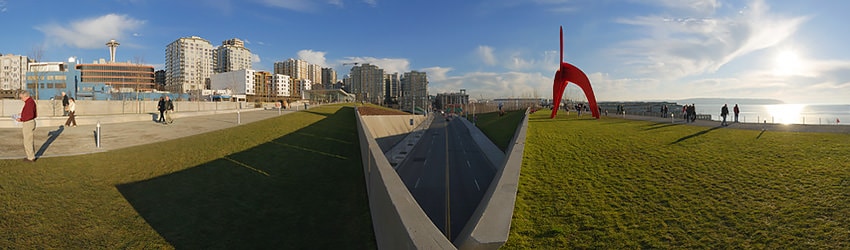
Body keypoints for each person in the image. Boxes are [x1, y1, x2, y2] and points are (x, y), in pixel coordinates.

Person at [16, 91, 37, 162]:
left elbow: (30, 115)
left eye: (21, 97)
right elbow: (29, 113)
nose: (21, 99)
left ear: (26, 96)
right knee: (28, 140)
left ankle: (31, 157)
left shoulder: (29, 103)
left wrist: (21, 119)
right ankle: (30, 156)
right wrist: (22, 114)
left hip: (28, 123)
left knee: (27, 141)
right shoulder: (30, 102)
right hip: (29, 122)